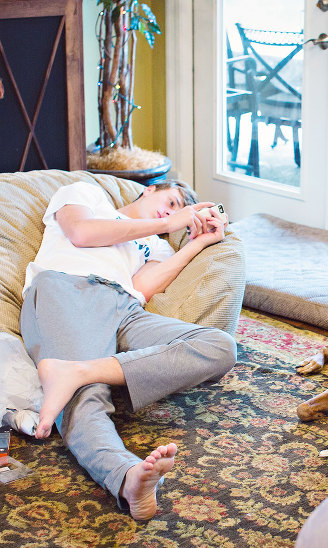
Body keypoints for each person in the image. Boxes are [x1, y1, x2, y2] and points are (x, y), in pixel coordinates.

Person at [19, 179, 238, 520]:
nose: (171, 212)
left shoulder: (156, 245)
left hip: (125, 307)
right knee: (85, 400)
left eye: (180, 211)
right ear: (150, 189)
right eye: (172, 201)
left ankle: (77, 370)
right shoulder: (87, 194)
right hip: (67, 288)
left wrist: (200, 242)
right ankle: (127, 477)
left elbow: (142, 287)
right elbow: (81, 233)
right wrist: (170, 222)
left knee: (220, 346)